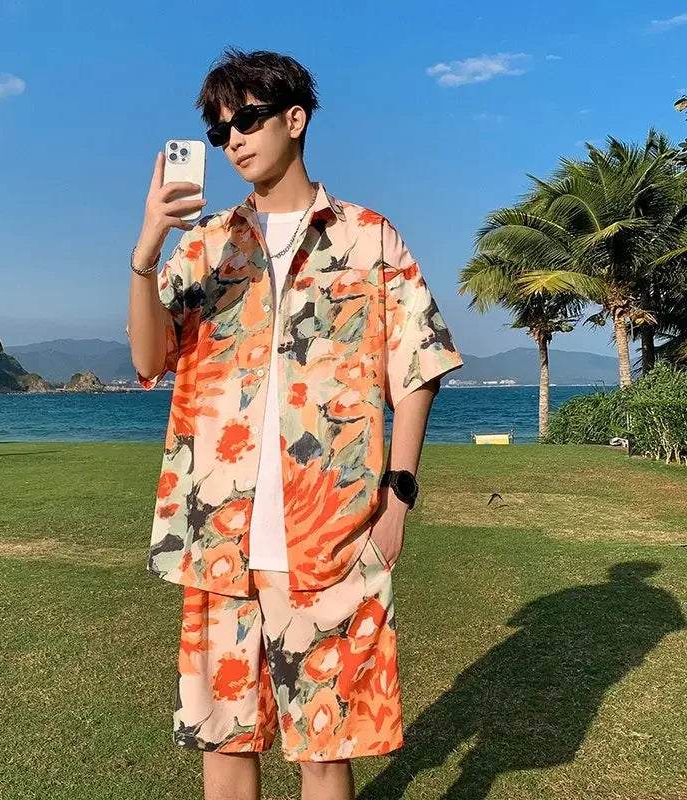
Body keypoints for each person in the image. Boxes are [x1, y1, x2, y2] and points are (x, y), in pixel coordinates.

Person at [126, 47, 464, 800]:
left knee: (326, 750)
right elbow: (150, 359)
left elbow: (418, 366)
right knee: (223, 743)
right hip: (219, 538)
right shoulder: (206, 245)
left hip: (333, 535)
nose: (234, 140)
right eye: (220, 131)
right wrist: (147, 252)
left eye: (247, 120)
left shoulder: (367, 238)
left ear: (295, 118)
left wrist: (399, 497)